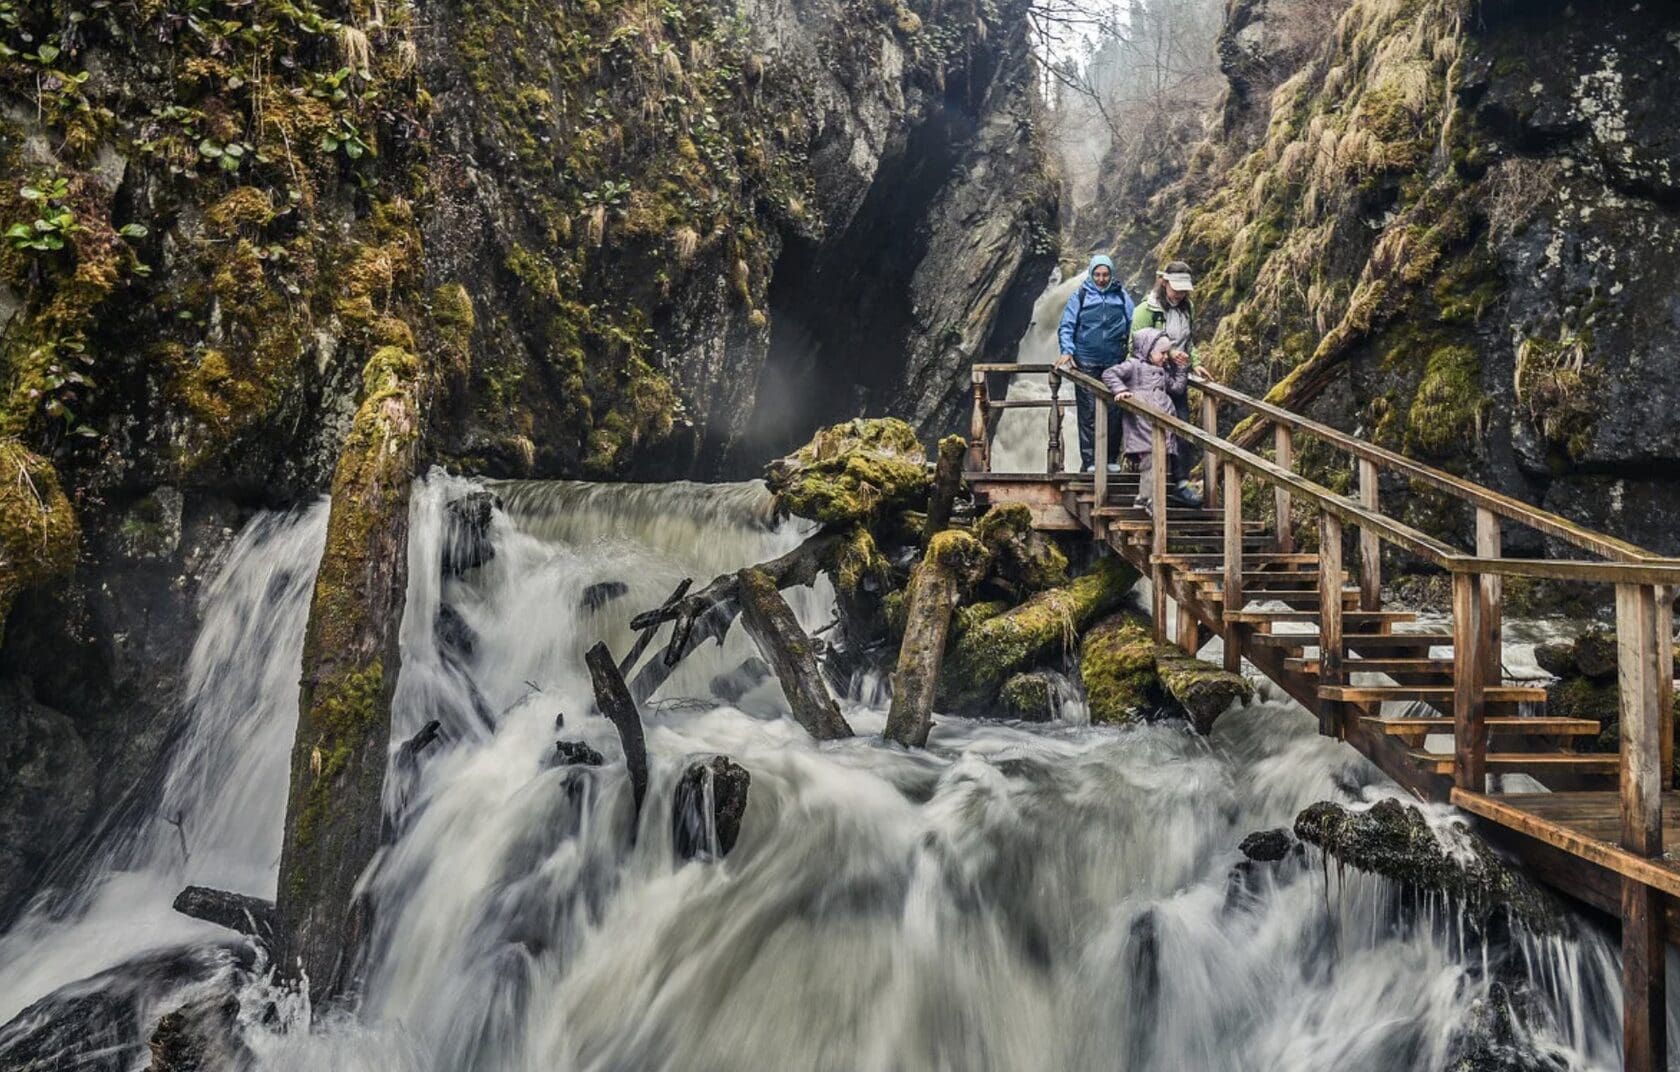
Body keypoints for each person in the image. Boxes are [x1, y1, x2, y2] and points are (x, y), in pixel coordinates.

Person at [1133, 261, 1212, 495]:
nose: (1179, 294)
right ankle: (1151, 488)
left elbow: (1189, 341)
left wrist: (1195, 364)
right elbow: (1135, 347)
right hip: (1151, 377)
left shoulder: (1188, 308)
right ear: (1164, 282)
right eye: (1175, 288)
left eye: (1183, 289)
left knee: (1182, 426)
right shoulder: (1145, 311)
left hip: (1177, 378)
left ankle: (1181, 482)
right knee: (1152, 431)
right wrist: (1167, 354)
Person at [1055, 253, 1135, 473]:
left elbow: (1133, 325)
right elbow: (1067, 325)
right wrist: (1067, 350)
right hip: (1086, 361)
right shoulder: (1080, 295)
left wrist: (1132, 353)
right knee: (1088, 412)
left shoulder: (1121, 296)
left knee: (1115, 411)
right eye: (1097, 274)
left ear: (1111, 274)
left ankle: (1110, 458)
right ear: (1091, 274)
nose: (1101, 279)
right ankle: (1090, 461)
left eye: (1105, 274)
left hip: (1115, 361)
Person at [1102, 328, 1189, 516]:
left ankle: (1144, 498)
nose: (1165, 357)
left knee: (1160, 463)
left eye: (1167, 353)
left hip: (1163, 424)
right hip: (1142, 424)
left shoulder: (1162, 371)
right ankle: (1150, 500)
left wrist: (1181, 368)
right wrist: (1120, 390)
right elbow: (1109, 374)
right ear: (1147, 350)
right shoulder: (1133, 366)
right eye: (1162, 353)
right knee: (1150, 462)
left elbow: (1176, 389)